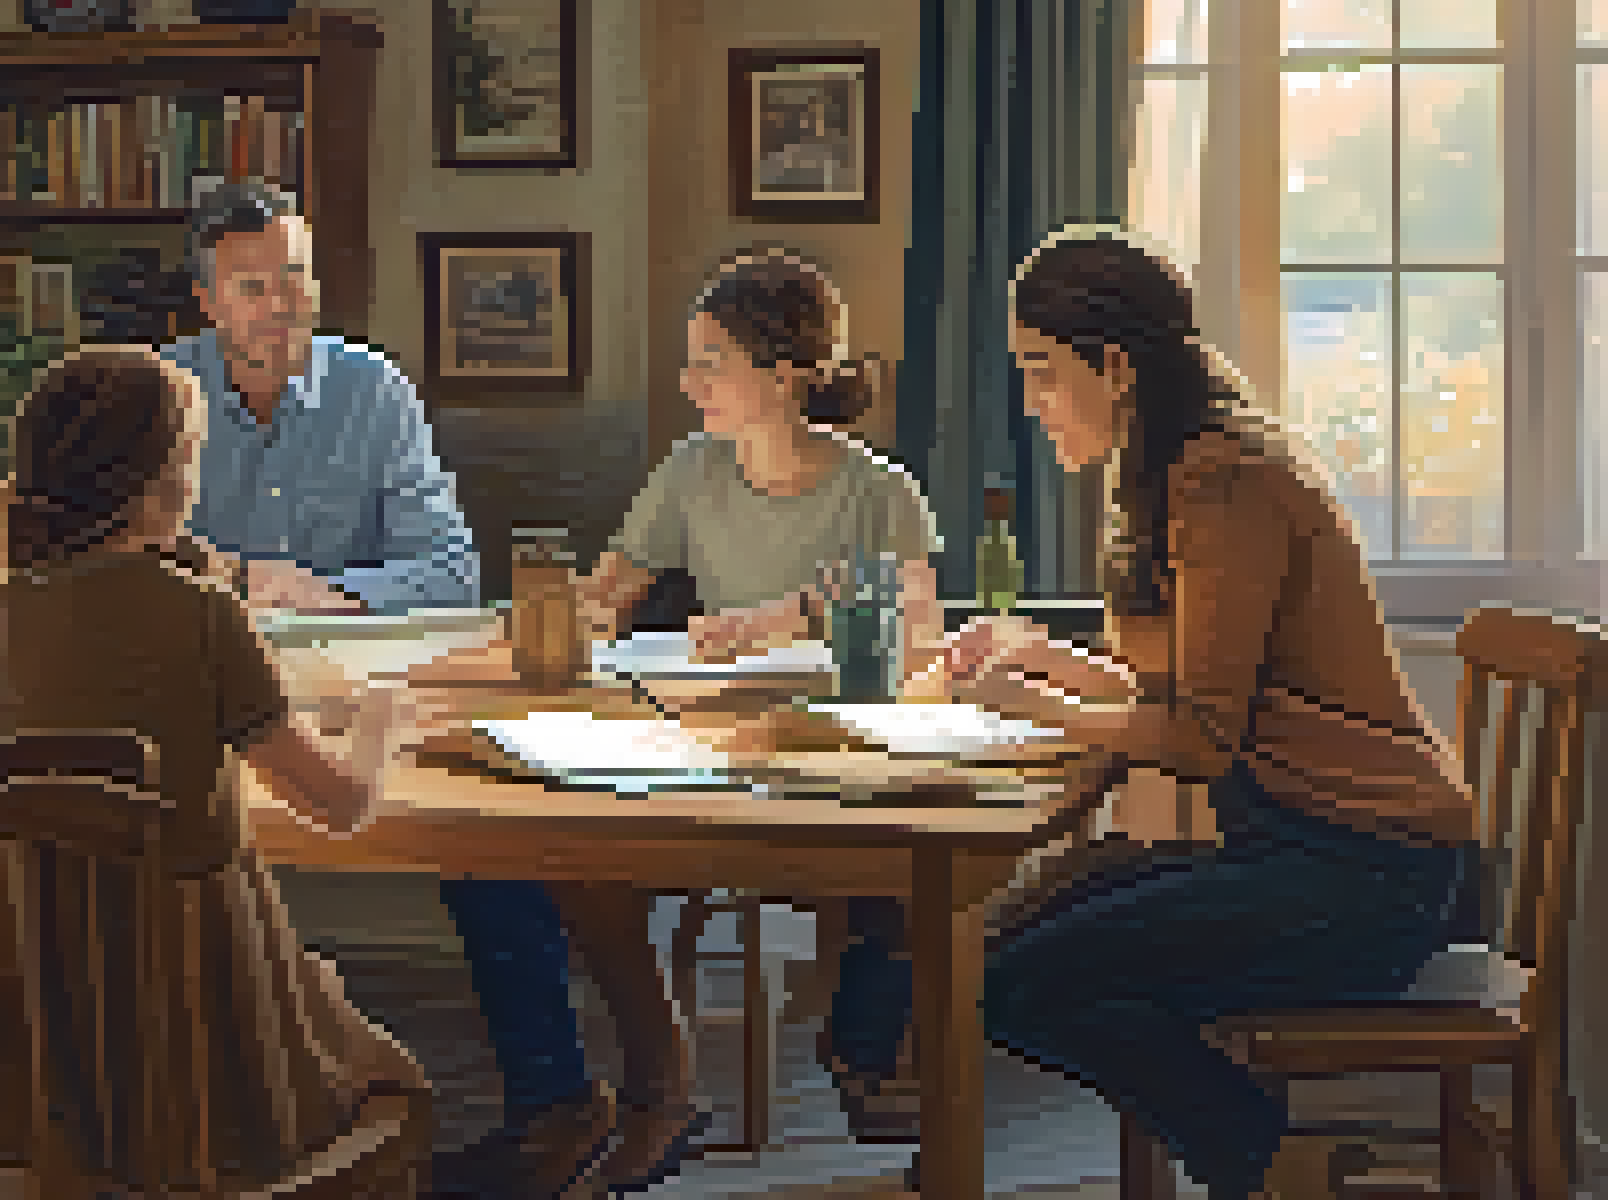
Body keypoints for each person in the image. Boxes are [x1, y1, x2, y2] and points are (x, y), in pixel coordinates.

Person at [863, 225, 1481, 1200]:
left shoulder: (1224, 483)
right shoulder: (1176, 466)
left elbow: (1196, 738)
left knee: (1021, 982)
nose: (1031, 405)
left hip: (1369, 872)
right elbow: (1181, 692)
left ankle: (1275, 1162)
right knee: (1006, 950)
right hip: (1304, 848)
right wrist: (1045, 656)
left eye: (1040, 372)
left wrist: (1031, 702)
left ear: (1112, 365)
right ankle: (1257, 1153)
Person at [435, 251, 949, 1196]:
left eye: (711, 361)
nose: (688, 382)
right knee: (577, 855)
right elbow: (613, 595)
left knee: (909, 883)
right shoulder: (691, 471)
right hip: (704, 748)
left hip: (831, 765)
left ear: (786, 371)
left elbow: (920, 641)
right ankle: (661, 1087)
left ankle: (881, 1068)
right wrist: (570, 609)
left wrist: (790, 619)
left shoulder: (880, 494)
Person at [0, 345, 431, 1191]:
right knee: (401, 1085)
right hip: (216, 1045)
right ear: (160, 478)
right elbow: (341, 805)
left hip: (77, 1058)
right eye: (192, 458)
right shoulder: (201, 614)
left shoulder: (13, 603)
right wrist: (380, 719)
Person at [161, 180, 481, 615]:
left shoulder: (373, 387)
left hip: (347, 654)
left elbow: (453, 573)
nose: (278, 305)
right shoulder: (159, 390)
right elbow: (111, 564)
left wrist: (323, 592)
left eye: (293, 279)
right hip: (199, 648)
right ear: (208, 301)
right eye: (252, 288)